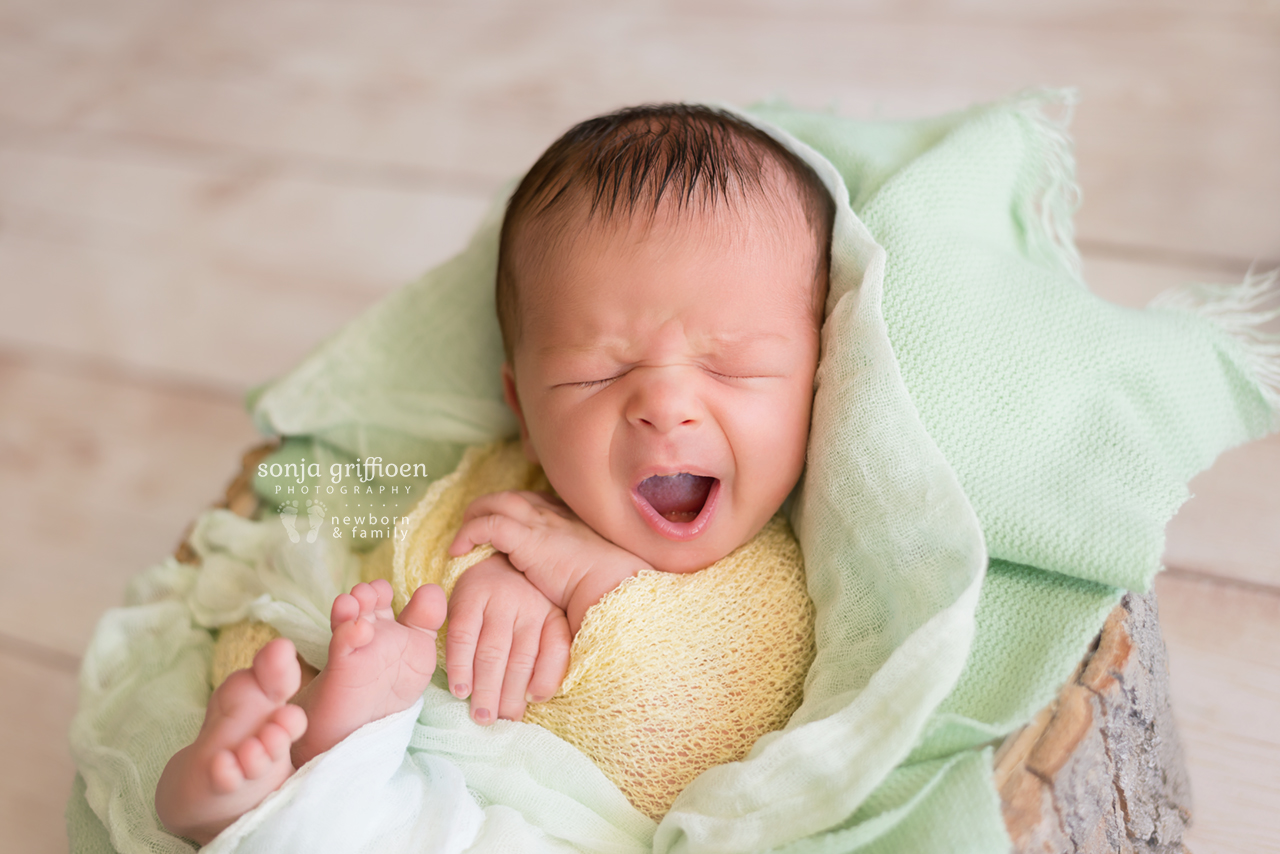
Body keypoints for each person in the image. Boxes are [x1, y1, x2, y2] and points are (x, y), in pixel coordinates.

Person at [156, 103, 835, 842]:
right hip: (403, 790)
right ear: (525, 412)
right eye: (596, 374)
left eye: (732, 365)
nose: (666, 407)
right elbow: (407, 565)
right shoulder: (507, 495)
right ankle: (253, 778)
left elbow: (701, 728)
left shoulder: (782, 572)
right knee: (305, 677)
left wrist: (590, 582)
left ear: (819, 375)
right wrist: (457, 597)